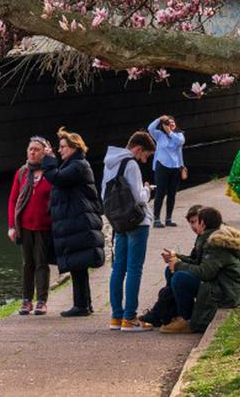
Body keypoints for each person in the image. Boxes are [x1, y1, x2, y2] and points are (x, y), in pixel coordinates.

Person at [42, 127, 105, 317]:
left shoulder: (78, 166)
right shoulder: (73, 164)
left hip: (79, 222)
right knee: (78, 265)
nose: (60, 150)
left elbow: (57, 178)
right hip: (76, 222)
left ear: (74, 148)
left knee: (78, 265)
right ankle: (84, 303)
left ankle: (81, 305)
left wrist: (49, 160)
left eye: (63, 147)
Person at [157, 206, 240, 334]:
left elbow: (205, 273)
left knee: (180, 278)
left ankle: (186, 319)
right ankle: (171, 311)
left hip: (225, 290)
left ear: (202, 223)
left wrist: (178, 265)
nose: (193, 226)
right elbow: (199, 263)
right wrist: (176, 258)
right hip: (220, 283)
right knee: (171, 270)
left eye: (196, 222)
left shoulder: (215, 243)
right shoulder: (209, 237)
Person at [101, 130, 156, 331]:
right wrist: (147, 190)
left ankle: (116, 317)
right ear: (138, 149)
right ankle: (130, 317)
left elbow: (104, 193)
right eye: (145, 155)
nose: (144, 160)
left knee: (118, 268)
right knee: (134, 269)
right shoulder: (131, 164)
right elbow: (138, 197)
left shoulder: (109, 163)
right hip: (136, 221)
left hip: (119, 221)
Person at [7, 136, 55, 316]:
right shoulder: (22, 173)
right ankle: (26, 300)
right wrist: (12, 226)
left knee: (41, 263)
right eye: (30, 149)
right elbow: (13, 200)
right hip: (25, 226)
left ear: (44, 153)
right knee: (28, 263)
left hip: (44, 226)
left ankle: (41, 301)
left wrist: (52, 160)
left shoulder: (51, 172)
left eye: (37, 149)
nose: (32, 152)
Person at [148, 115, 187, 228]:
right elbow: (150, 128)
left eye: (173, 122)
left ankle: (168, 218)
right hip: (162, 166)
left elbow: (180, 142)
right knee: (160, 193)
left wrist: (169, 132)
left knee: (172, 193)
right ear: (164, 126)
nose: (171, 124)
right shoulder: (159, 135)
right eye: (168, 123)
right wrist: (159, 119)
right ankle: (156, 219)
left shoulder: (179, 135)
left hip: (175, 167)